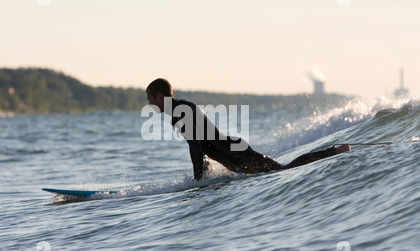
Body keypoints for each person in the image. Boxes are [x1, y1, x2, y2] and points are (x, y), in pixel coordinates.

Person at [146, 78, 351, 181]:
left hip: (235, 152)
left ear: (160, 96)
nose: (150, 104)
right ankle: (336, 151)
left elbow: (196, 146)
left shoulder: (180, 110)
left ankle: (336, 151)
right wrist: (204, 175)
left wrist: (198, 180)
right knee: (279, 170)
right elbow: (200, 146)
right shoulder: (179, 111)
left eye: (150, 99)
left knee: (284, 169)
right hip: (233, 154)